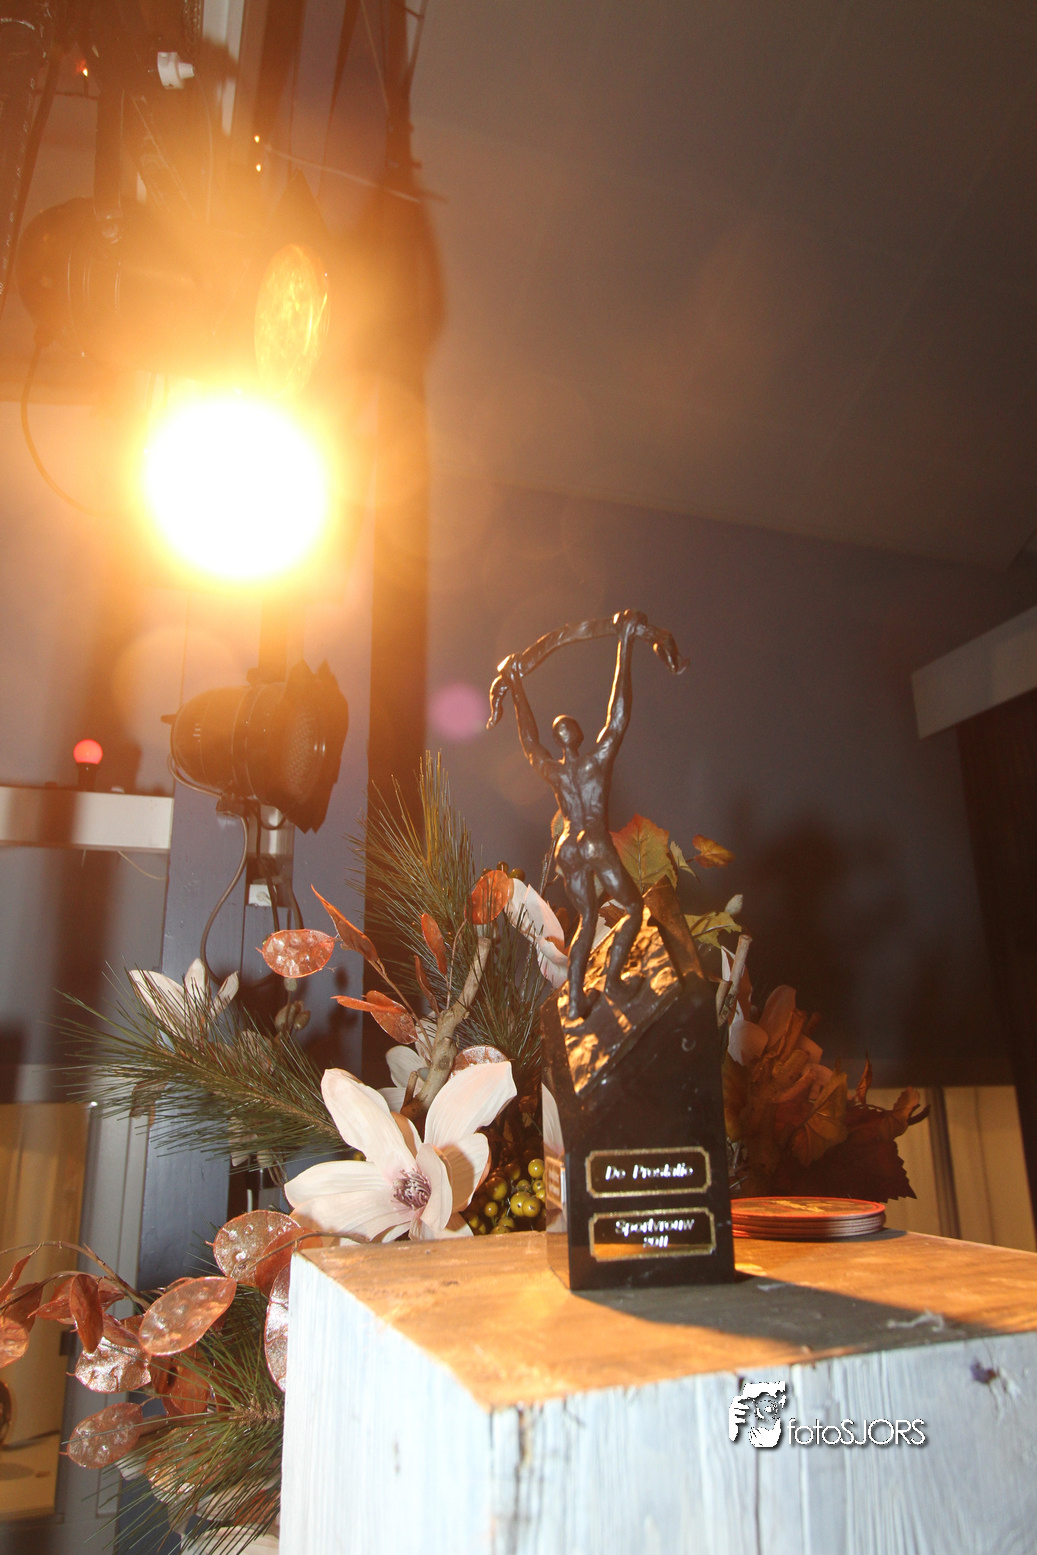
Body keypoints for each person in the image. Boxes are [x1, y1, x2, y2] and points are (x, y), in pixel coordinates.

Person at [498, 609, 647, 1021]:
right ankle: (612, 981)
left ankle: (577, 996)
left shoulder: (556, 771)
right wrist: (625, 645)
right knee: (633, 909)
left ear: (559, 739)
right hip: (593, 841)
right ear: (579, 735)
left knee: (587, 919)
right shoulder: (595, 762)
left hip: (569, 848)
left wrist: (516, 684)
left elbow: (530, 742)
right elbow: (618, 715)